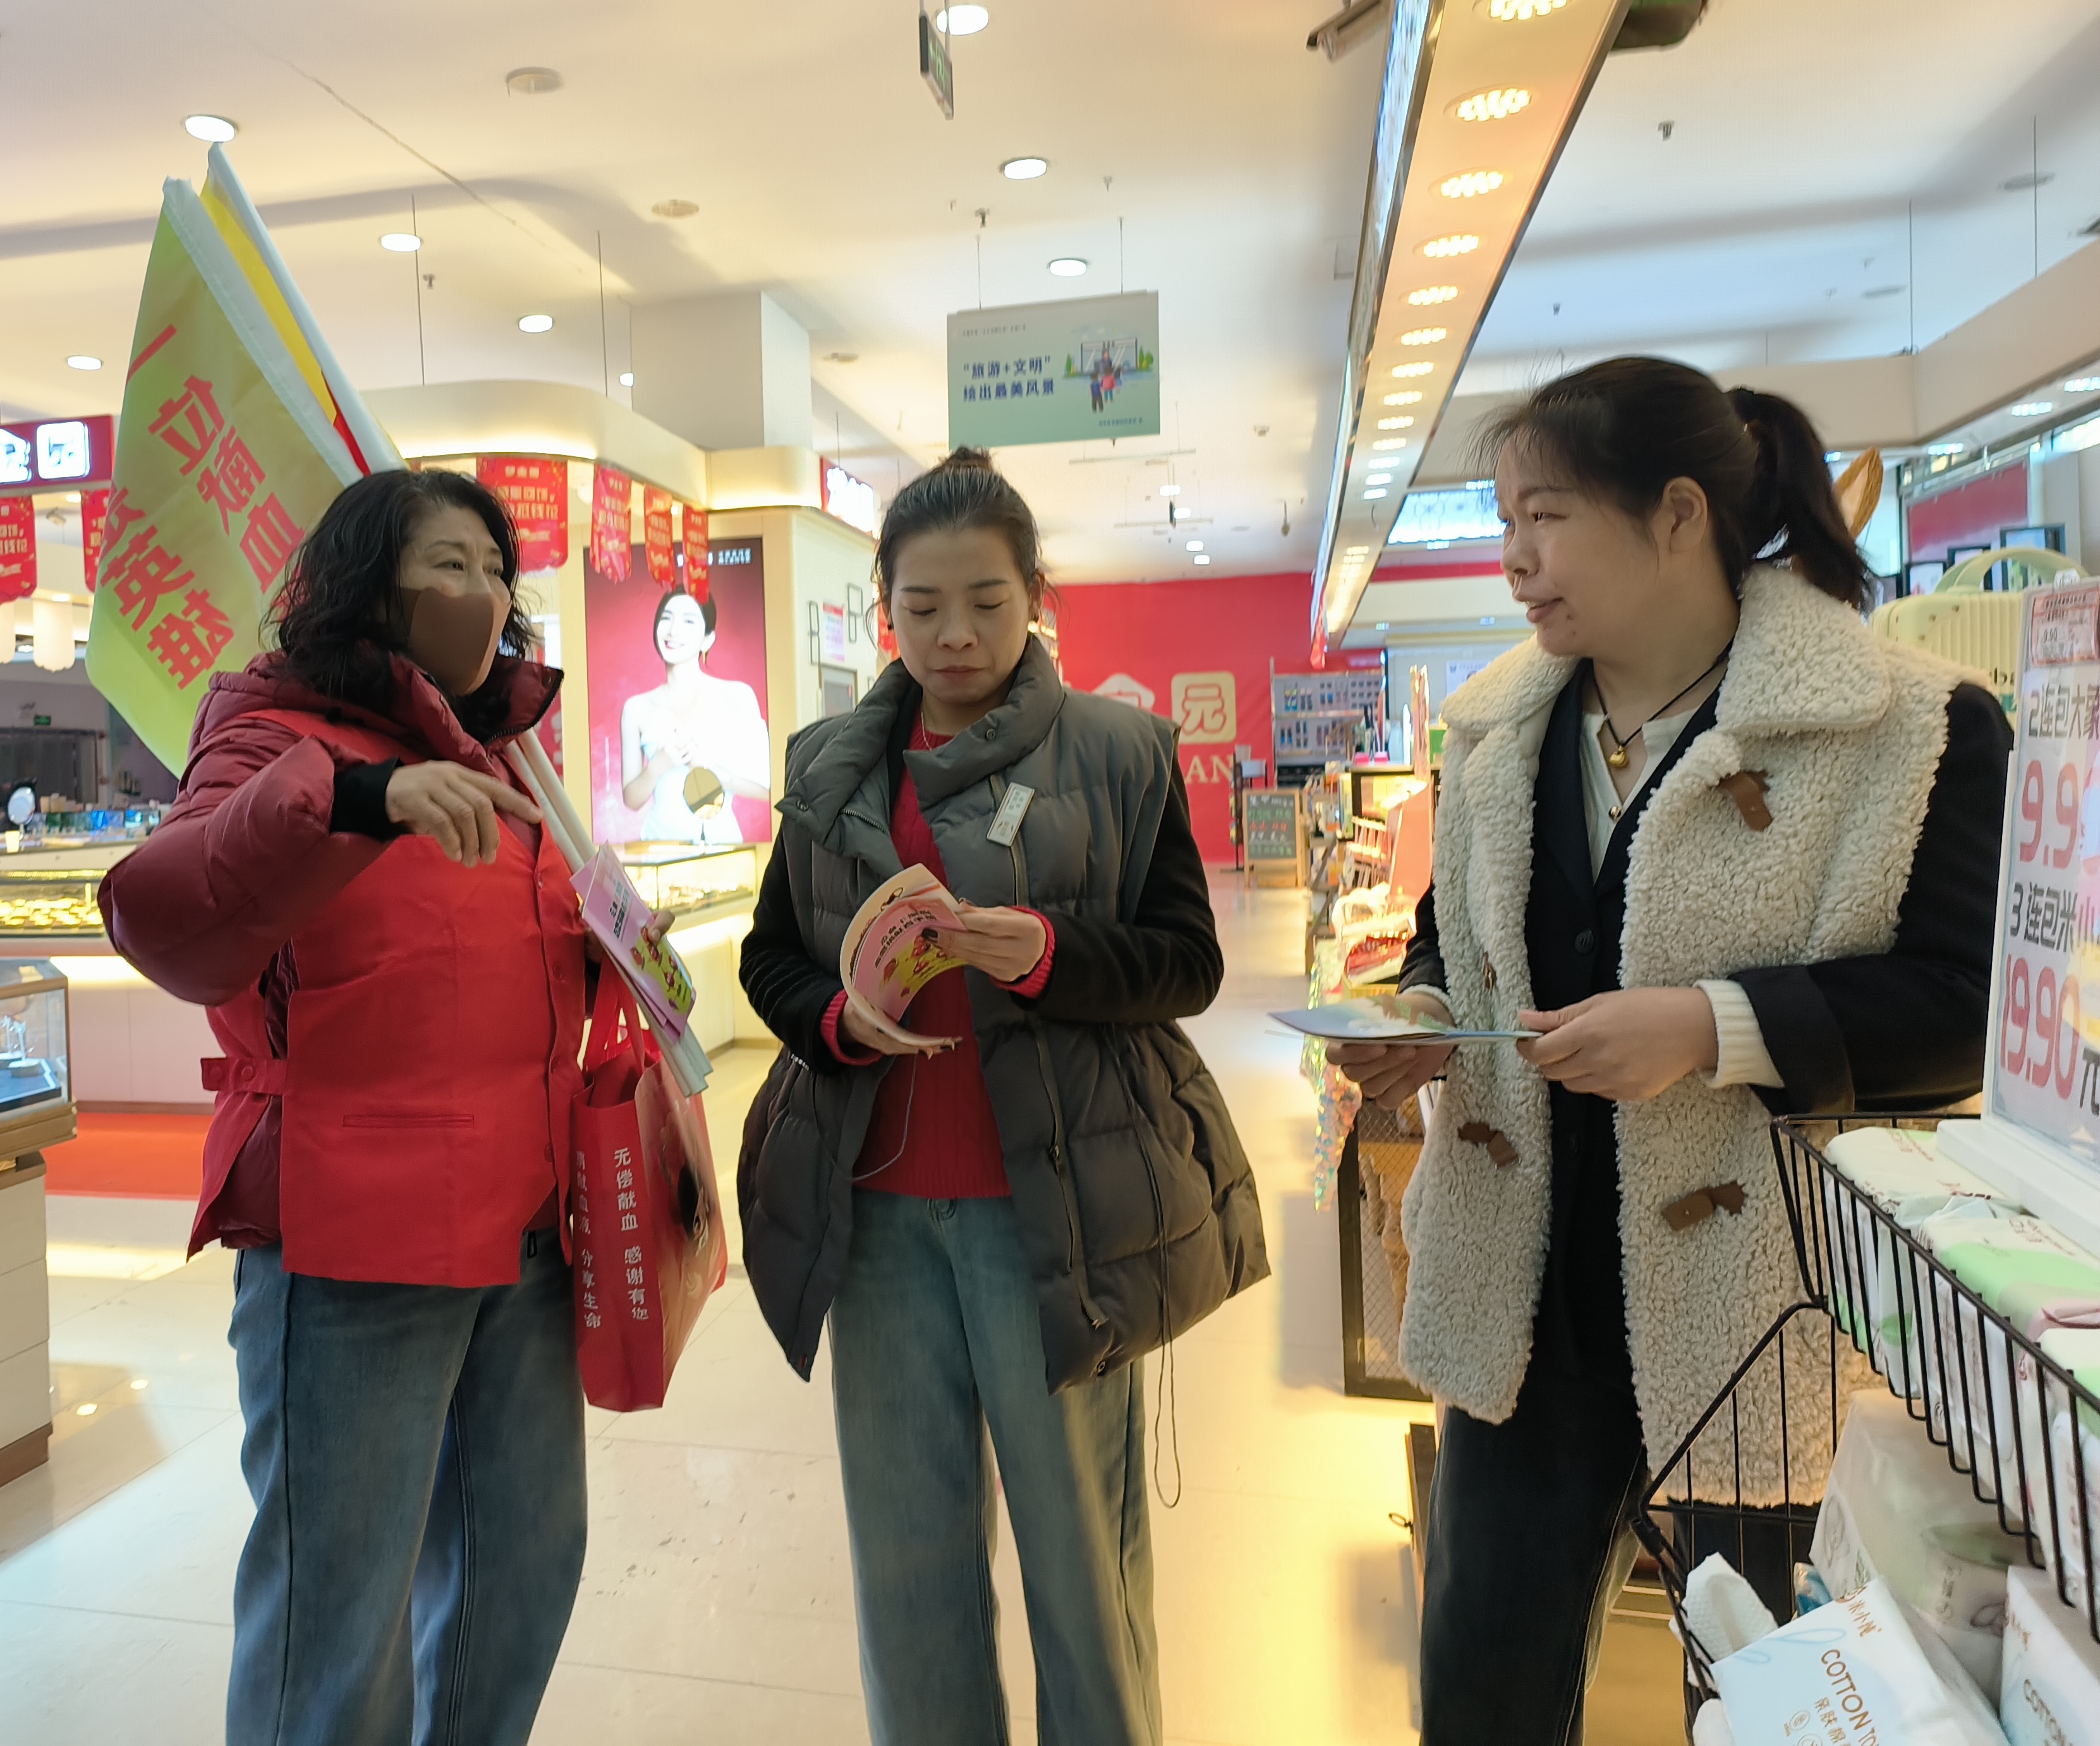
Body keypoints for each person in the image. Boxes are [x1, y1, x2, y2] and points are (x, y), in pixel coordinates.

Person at [1328, 358, 2009, 1745]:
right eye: (1503, 520)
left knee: (1770, 1701)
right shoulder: (1497, 730)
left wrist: (1710, 1026)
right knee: (1480, 1694)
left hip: (1756, 1321)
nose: (1513, 559)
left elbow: (1958, 1008)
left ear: (1678, 515)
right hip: (1517, 1304)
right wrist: (1417, 1020)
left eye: (1547, 517)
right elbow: (1450, 935)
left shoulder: (1906, 729)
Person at [737, 446, 1267, 1746]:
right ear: (884, 608)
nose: (954, 635)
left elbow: (1185, 962)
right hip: (874, 1221)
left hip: (1056, 1218)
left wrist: (1046, 954)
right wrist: (835, 1019)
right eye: (921, 606)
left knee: (1082, 1564)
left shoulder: (1121, 751)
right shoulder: (828, 764)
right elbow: (771, 957)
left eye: (985, 600)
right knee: (907, 1568)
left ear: (1035, 595)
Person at [99, 468, 593, 1746]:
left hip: (527, 1233)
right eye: (447, 564)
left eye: (495, 568)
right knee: (340, 1621)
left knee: (519, 1571)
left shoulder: (509, 753)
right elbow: (159, 907)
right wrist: (357, 795)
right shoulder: (270, 734)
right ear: (365, 583)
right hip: (353, 1242)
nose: (481, 593)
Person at [617, 585, 770, 844]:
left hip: (723, 847)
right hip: (659, 847)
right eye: (666, 618)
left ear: (708, 639)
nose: (673, 630)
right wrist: (658, 766)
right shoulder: (636, 708)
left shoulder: (738, 696)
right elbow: (632, 799)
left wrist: (711, 771)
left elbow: (768, 788)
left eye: (688, 621)